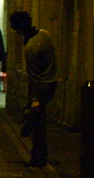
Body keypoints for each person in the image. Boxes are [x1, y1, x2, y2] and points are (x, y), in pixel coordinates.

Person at [9, 10, 58, 167]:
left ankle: (38, 156)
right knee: (39, 119)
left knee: (37, 121)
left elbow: (34, 76)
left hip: (40, 87)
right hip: (51, 82)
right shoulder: (45, 34)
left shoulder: (30, 48)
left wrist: (34, 99)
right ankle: (39, 152)